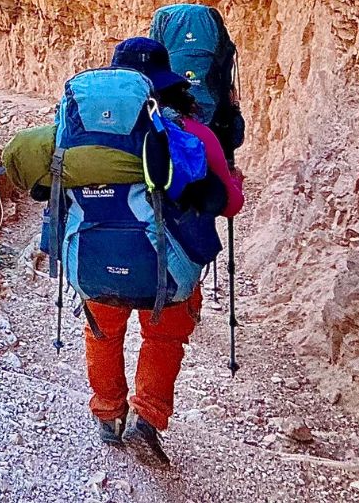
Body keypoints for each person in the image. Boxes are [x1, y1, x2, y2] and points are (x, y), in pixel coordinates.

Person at [82, 37, 243, 463]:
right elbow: (230, 204)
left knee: (103, 331)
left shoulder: (87, 131)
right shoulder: (196, 133)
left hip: (97, 259)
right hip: (168, 269)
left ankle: (108, 415)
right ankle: (147, 419)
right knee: (165, 335)